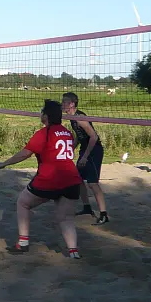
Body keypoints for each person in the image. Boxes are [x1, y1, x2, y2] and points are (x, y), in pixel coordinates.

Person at [0, 100, 83, 259]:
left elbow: (25, 153)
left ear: (46, 116)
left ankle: (23, 243)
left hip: (49, 180)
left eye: (42, 112)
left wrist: (4, 163)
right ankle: (73, 252)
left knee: (23, 203)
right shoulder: (67, 133)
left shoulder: (43, 133)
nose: (40, 114)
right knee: (66, 218)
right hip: (72, 180)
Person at [61, 92, 109, 224]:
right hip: (85, 150)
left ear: (72, 104)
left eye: (64, 102)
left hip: (94, 151)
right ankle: (87, 208)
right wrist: (71, 148)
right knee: (78, 179)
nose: (62, 104)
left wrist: (85, 157)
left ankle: (103, 214)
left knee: (92, 183)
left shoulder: (80, 117)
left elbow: (94, 137)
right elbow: (79, 136)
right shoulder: (72, 117)